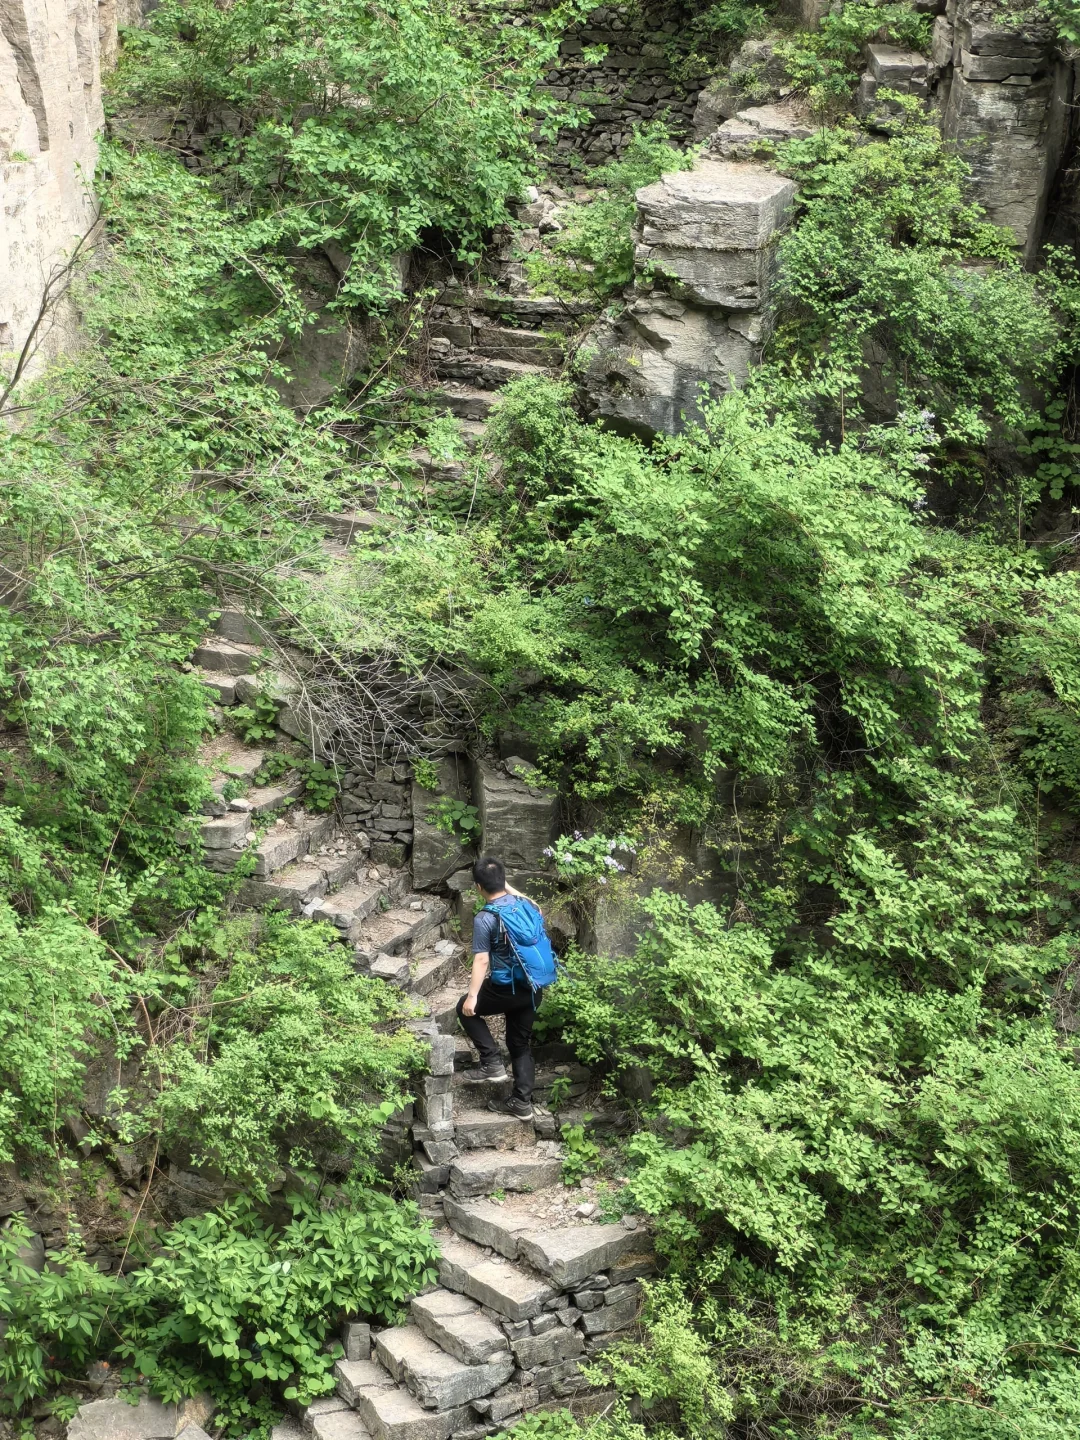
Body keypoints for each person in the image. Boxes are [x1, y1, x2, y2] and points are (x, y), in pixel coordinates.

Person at [456, 854, 546, 1120]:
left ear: (478, 888)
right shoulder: (529, 906)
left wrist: (472, 996)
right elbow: (529, 899)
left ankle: (492, 1063)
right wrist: (504, 884)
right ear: (505, 882)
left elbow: (482, 959)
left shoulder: (485, 918)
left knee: (464, 1010)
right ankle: (521, 1102)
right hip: (533, 987)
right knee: (520, 1043)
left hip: (505, 988)